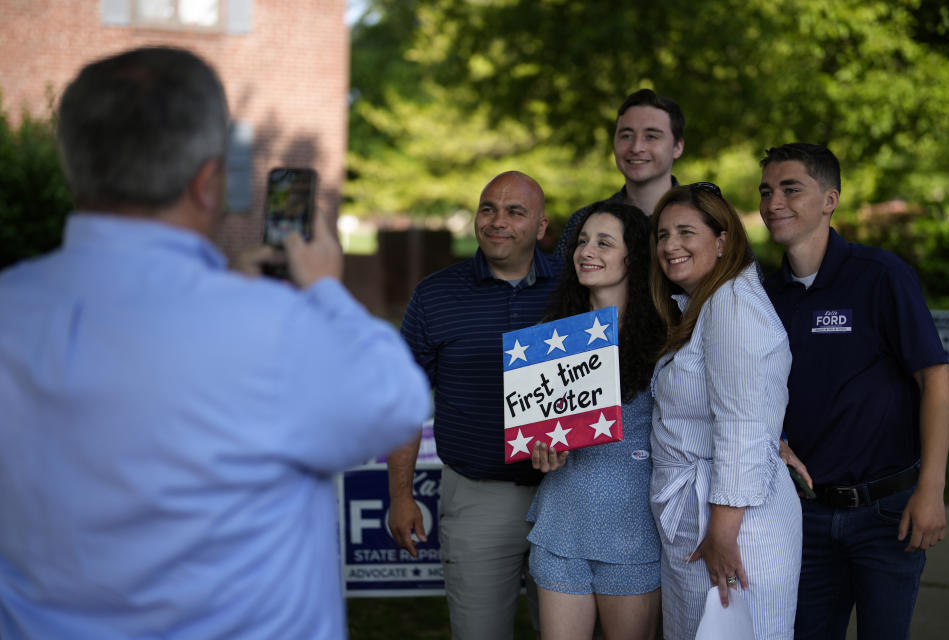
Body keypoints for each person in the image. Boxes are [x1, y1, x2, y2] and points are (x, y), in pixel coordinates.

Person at [0, 46, 432, 640]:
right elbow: (400, 402)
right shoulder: (276, 325)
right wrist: (325, 293)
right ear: (207, 182)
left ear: (72, 165)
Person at [759, 143, 949, 639]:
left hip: (886, 513)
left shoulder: (880, 276)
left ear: (829, 200)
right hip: (802, 515)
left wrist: (931, 490)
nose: (772, 202)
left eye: (790, 189)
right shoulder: (764, 294)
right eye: (766, 191)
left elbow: (935, 381)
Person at [387, 171, 563, 639]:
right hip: (479, 497)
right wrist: (401, 496)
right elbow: (405, 401)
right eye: (488, 209)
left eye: (515, 211)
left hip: (571, 493)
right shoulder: (435, 294)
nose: (497, 221)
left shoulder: (577, 289)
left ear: (541, 227)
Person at [648, 183, 802, 639]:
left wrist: (723, 532)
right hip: (706, 517)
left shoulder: (732, 303)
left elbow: (741, 425)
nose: (670, 245)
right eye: (661, 235)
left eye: (685, 232)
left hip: (733, 525)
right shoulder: (706, 305)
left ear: (722, 239)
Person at [525, 202, 665, 640]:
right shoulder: (552, 336)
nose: (587, 250)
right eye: (583, 241)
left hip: (633, 527)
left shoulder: (668, 334)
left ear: (633, 256)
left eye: (605, 242)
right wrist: (540, 452)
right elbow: (535, 435)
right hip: (561, 521)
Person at [555, 89, 685, 257]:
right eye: (626, 136)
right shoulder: (582, 221)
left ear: (678, 147)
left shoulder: (705, 221)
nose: (636, 147)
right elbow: (560, 282)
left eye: (651, 136)